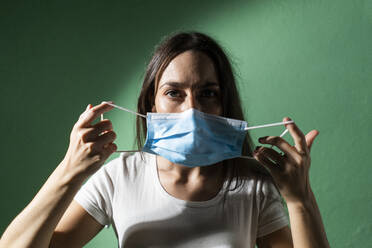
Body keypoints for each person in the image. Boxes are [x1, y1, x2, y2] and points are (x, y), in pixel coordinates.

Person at [0, 32, 329, 247]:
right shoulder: (121, 176)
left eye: (207, 93)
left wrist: (300, 200)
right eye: (174, 93)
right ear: (150, 104)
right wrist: (69, 170)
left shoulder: (251, 182)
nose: (191, 109)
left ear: (224, 103)